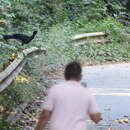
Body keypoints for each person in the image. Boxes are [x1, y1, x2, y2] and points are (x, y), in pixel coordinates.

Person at [36, 61, 101, 130]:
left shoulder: (55, 90)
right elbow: (95, 118)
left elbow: (45, 115)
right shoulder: (86, 92)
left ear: (65, 75)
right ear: (81, 76)